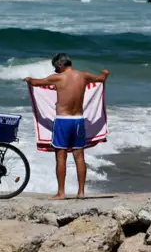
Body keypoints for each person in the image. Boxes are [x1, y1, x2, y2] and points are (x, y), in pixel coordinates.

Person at [25, 53, 110, 199]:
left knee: (61, 157)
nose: (55, 70)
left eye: (55, 68)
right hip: (78, 120)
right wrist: (105, 72)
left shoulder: (57, 78)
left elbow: (36, 83)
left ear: (59, 66)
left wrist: (28, 79)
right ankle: (81, 192)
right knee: (79, 157)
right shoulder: (83, 76)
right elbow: (101, 78)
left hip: (63, 121)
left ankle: (61, 193)